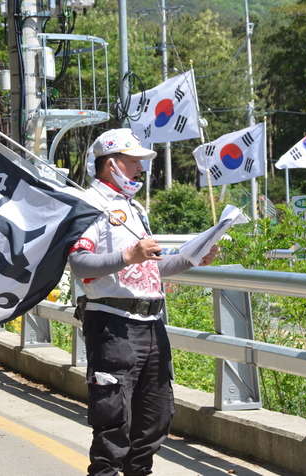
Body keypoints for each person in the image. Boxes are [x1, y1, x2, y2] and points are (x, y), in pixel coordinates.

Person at [68, 128, 218, 476]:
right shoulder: (90, 204)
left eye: (140, 162)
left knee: (155, 416)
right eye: (133, 161)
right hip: (113, 323)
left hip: (152, 325)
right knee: (112, 421)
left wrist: (192, 258)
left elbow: (152, 267)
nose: (140, 168)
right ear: (110, 164)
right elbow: (78, 263)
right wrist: (128, 254)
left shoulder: (133, 208)